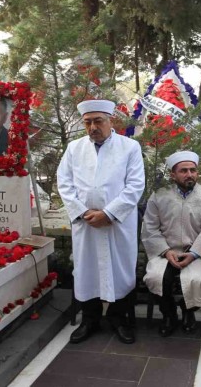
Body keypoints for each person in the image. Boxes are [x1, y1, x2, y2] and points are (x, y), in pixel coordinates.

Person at [57, 99, 145, 345]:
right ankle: (90, 320)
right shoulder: (74, 148)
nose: (93, 127)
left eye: (98, 121)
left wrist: (108, 213)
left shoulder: (129, 147)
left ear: (110, 120)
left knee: (120, 270)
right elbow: (64, 183)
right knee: (87, 270)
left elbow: (135, 185)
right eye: (88, 122)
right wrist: (83, 212)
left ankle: (119, 319)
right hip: (85, 223)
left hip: (117, 223)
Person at [141, 151, 201, 337]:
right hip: (165, 252)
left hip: (197, 254)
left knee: (197, 280)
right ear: (173, 175)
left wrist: (193, 254)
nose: (189, 174)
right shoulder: (158, 196)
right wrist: (166, 252)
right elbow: (150, 228)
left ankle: (187, 311)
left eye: (193, 170)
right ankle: (169, 315)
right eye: (183, 171)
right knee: (156, 277)